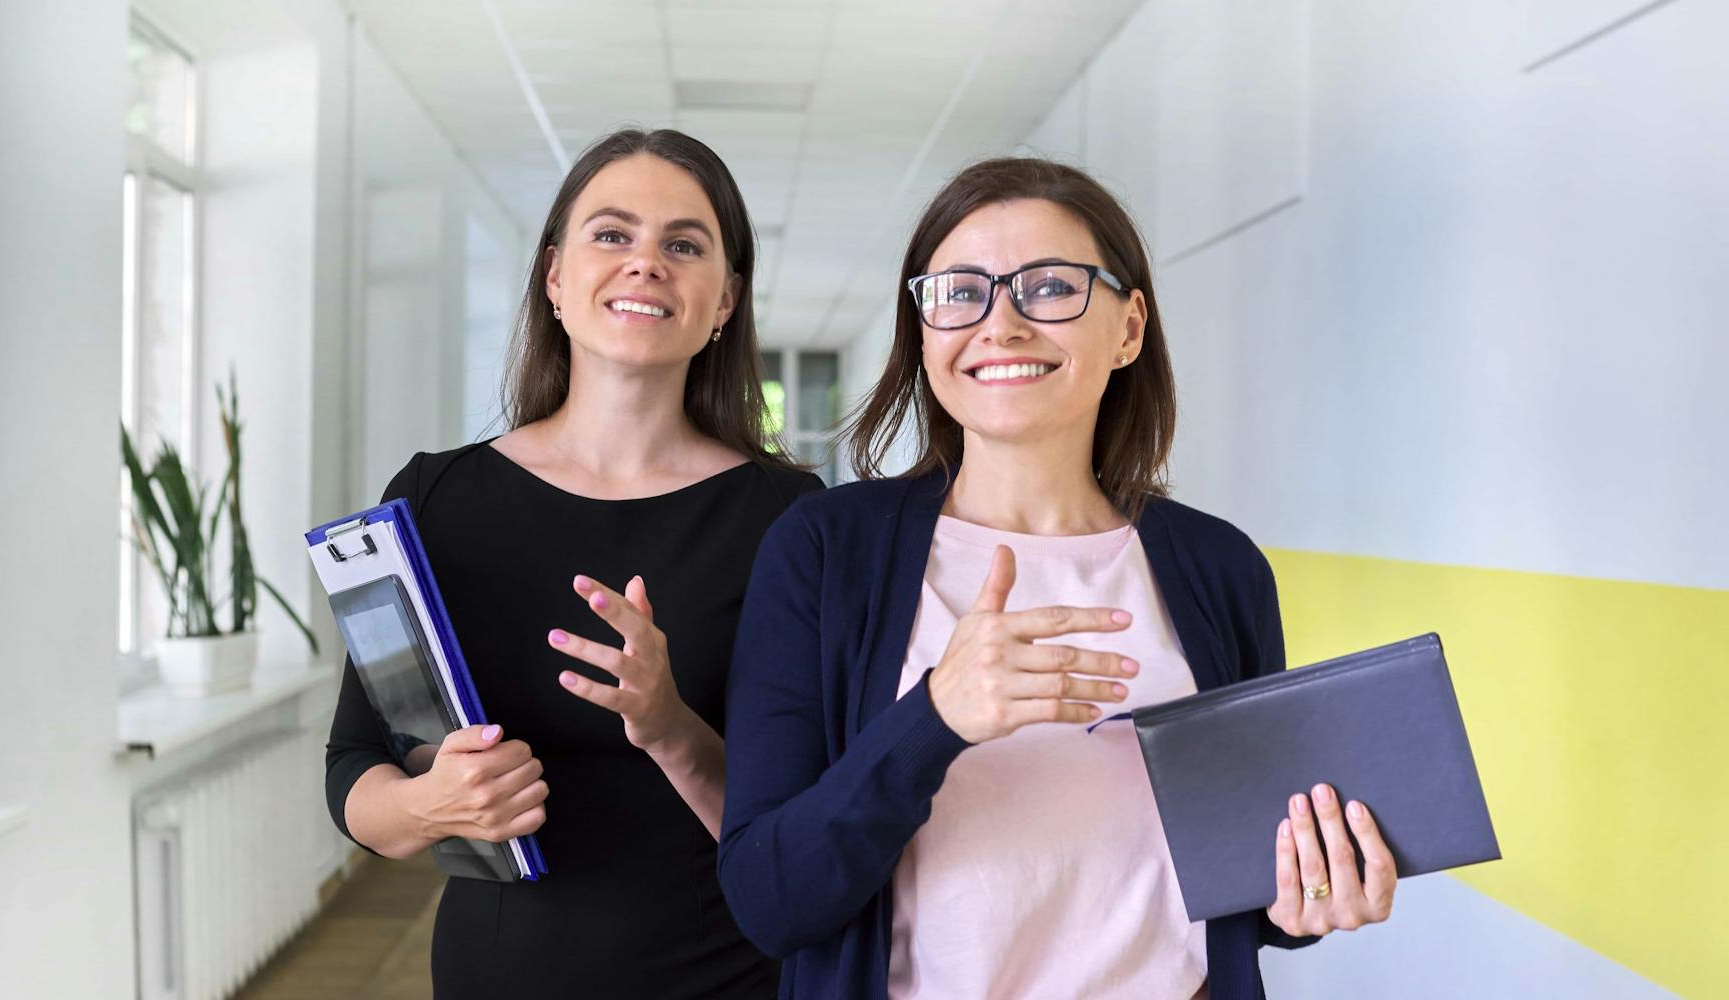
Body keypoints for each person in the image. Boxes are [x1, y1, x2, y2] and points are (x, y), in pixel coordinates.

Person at [718, 157, 1397, 999]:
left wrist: (1311, 896)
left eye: (1048, 287)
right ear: (925, 329)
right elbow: (769, 898)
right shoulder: (825, 549)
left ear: (1129, 326)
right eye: (960, 291)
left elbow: (1240, 887)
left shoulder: (1220, 569)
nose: (999, 323)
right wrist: (935, 716)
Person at [325, 128, 821, 999]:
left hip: (729, 976)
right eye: (611, 234)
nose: (645, 263)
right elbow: (355, 763)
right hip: (497, 974)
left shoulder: (791, 518)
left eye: (683, 244)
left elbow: (804, 825)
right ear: (555, 277)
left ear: (725, 302)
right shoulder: (435, 500)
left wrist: (669, 724)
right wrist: (427, 806)